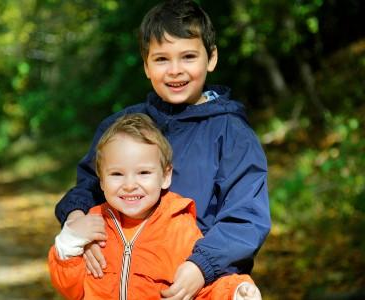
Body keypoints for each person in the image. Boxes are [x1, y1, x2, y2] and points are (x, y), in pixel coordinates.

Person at [55, 0, 271, 298]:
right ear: (146, 65)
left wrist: (201, 266)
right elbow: (90, 186)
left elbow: (246, 216)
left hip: (197, 283)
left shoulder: (232, 133)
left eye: (188, 56)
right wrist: (77, 219)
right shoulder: (123, 127)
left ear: (211, 58)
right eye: (161, 59)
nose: (175, 70)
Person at [48, 113, 262, 300]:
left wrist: (234, 291)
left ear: (165, 176)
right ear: (101, 181)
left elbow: (199, 290)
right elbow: (71, 290)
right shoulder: (94, 224)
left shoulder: (178, 227)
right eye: (116, 174)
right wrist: (68, 244)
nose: (130, 185)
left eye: (143, 173)